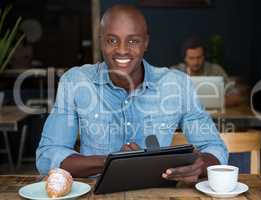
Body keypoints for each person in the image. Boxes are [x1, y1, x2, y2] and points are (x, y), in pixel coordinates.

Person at [36, 5, 228, 183]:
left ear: (146, 43)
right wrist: (113, 163)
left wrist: (199, 166)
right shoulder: (75, 81)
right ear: (101, 41)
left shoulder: (177, 85)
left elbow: (215, 148)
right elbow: (47, 156)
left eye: (133, 41)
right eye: (112, 40)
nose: (121, 50)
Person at [172, 37, 241, 107]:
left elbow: (235, 96)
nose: (196, 62)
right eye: (191, 58)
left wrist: (213, 103)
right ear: (185, 58)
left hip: (213, 115)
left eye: (199, 57)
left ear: (204, 56)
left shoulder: (215, 70)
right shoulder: (176, 72)